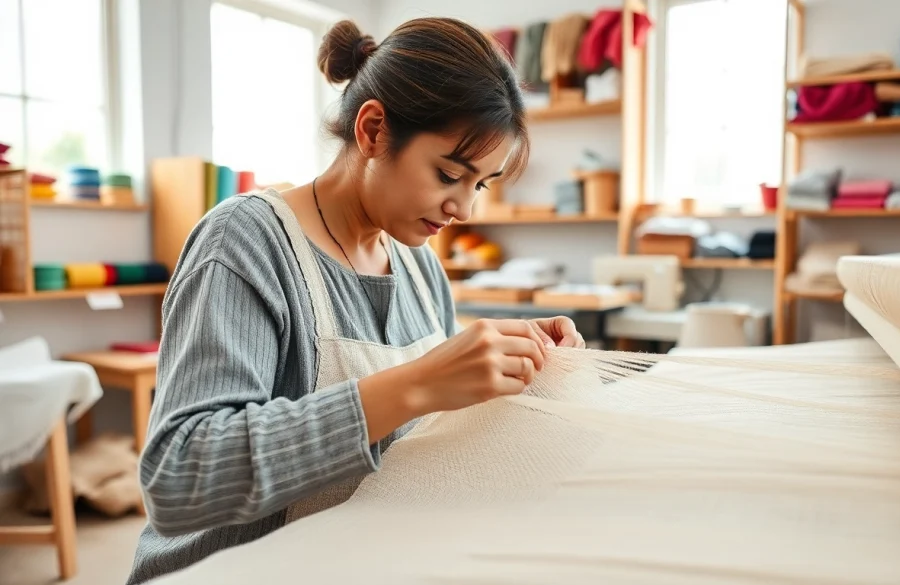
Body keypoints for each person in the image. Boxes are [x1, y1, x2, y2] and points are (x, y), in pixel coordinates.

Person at [125, 16, 585, 584]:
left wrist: (517, 363)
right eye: (448, 175)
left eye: (479, 185)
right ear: (372, 130)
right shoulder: (245, 242)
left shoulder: (417, 262)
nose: (463, 209)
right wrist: (414, 383)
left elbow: (427, 436)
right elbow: (180, 476)